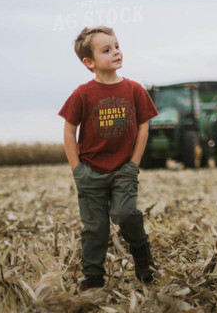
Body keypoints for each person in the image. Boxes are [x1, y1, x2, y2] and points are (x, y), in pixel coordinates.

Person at [59, 26, 158, 291]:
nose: (116, 52)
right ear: (89, 62)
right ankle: (93, 276)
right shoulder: (82, 94)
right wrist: (77, 170)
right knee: (95, 227)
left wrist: (133, 164)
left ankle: (142, 255)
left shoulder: (135, 90)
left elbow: (143, 127)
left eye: (116, 46)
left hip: (123, 171)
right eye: (106, 49)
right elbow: (69, 130)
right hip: (90, 171)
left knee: (126, 214)